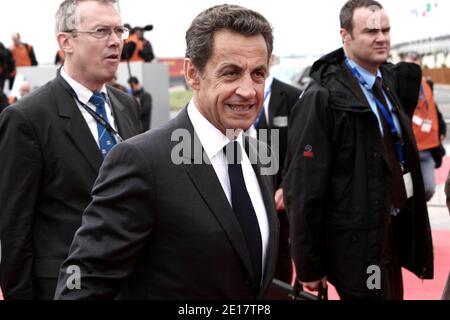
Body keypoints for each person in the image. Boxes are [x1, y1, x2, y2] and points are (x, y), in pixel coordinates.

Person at [54, 4, 279, 300]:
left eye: (258, 73)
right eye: (231, 73)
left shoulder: (259, 154)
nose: (249, 91)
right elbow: (81, 288)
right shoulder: (141, 161)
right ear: (192, 73)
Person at [284, 0, 433, 300]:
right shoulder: (322, 97)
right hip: (357, 244)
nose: (382, 38)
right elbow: (303, 187)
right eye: (371, 31)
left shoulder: (389, 84)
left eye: (386, 30)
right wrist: (309, 264)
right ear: (345, 36)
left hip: (389, 231)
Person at [0, 0, 141, 300]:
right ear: (66, 41)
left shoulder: (128, 106)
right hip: (65, 286)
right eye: (102, 31)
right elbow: (14, 226)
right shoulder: (27, 118)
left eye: (119, 30)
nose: (116, 41)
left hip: (132, 282)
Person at [248, 54, 301, 283]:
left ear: (271, 59)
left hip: (279, 190)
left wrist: (286, 187)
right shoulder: (234, 94)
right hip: (245, 184)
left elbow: (301, 147)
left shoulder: (292, 96)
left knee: (279, 250)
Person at [404, 52, 442, 201]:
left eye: (415, 65)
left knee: (429, 188)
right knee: (407, 191)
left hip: (427, 148)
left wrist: (442, 130)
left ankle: (418, 209)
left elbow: (433, 108)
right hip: (407, 149)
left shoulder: (427, 84)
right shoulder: (396, 84)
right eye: (408, 65)